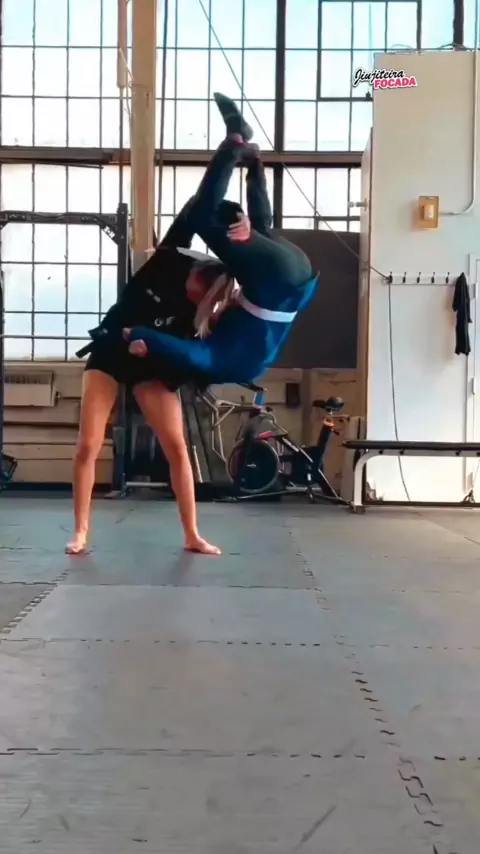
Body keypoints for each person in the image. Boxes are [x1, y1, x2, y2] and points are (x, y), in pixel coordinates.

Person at [67, 204, 250, 557]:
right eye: (194, 286)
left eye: (200, 297)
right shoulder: (167, 261)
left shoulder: (199, 316)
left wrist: (249, 230)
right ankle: (80, 531)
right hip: (109, 353)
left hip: (151, 364)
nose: (191, 295)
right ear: (194, 273)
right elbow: (194, 208)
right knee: (88, 444)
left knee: (177, 447)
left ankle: (192, 535)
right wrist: (237, 216)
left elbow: (190, 356)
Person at [125, 92, 319, 386]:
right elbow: (191, 354)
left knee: (261, 228)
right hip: (277, 278)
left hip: (299, 272)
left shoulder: (250, 363)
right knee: (201, 215)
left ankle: (254, 164)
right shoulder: (219, 366)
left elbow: (263, 231)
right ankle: (234, 141)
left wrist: (251, 232)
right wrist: (140, 336)